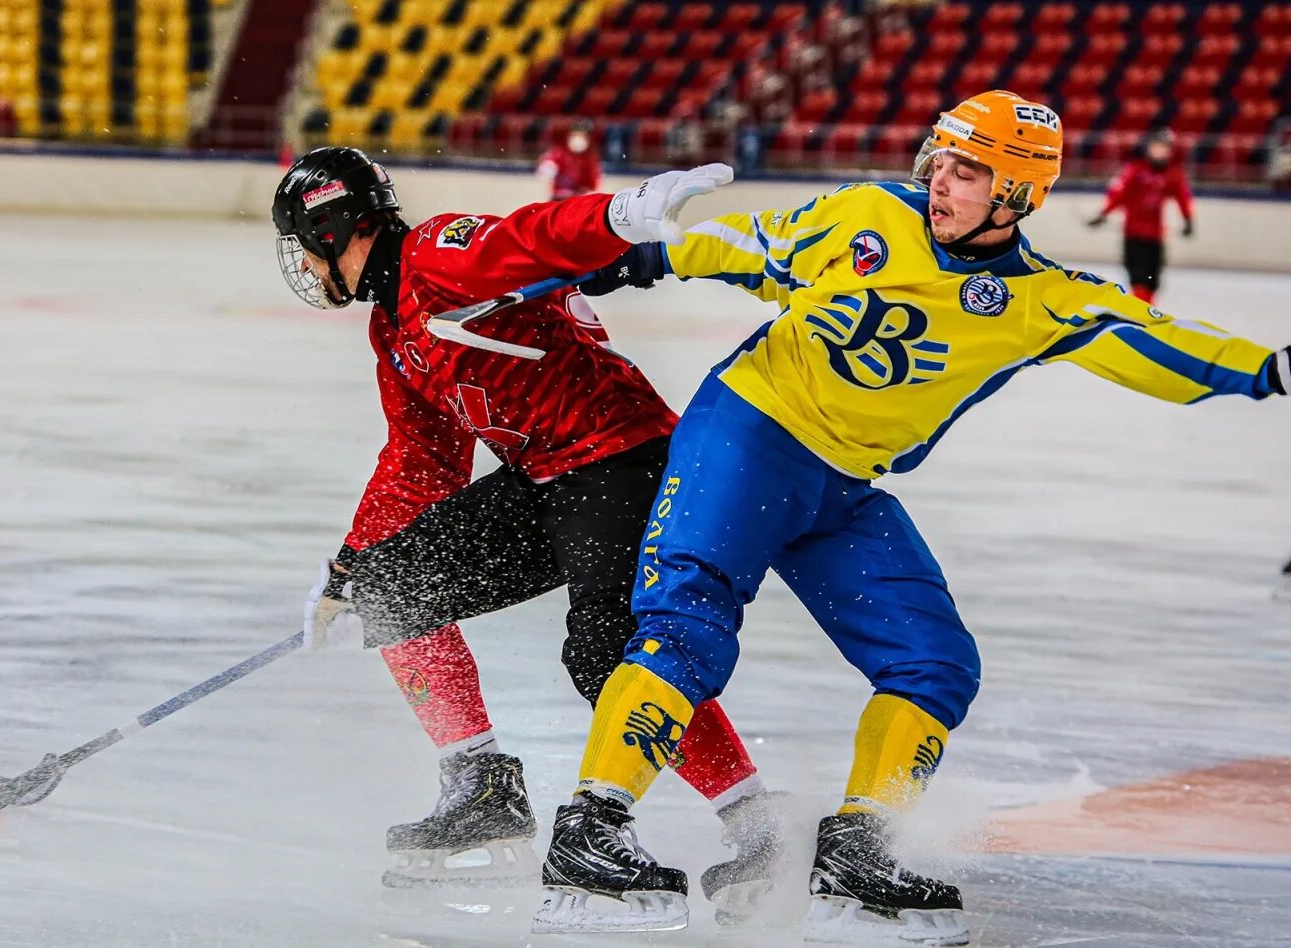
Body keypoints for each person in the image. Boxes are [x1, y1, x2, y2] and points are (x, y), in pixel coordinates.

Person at [533, 90, 1289, 942]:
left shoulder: (1042, 299)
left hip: (844, 485)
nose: (940, 182)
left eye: (968, 172)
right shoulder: (869, 212)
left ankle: (857, 852)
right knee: (687, 630)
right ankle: (589, 836)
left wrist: (1271, 368)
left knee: (935, 664)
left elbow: (1156, 340)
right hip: (748, 432)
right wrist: (619, 258)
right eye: (940, 161)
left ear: (1017, 195)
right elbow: (750, 246)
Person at [272, 148, 782, 906]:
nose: (308, 272)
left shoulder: (438, 255)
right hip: (544, 478)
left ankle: (758, 828)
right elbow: (421, 462)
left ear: (332, 231)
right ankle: (480, 790)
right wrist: (351, 568)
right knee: (393, 590)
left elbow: (532, 238)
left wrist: (617, 216)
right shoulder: (395, 329)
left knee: (608, 655)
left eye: (306, 252)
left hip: (621, 460)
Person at [1087, 127, 1194, 303]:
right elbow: (1119, 195)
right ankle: (1142, 310)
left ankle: (1146, 308)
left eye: (1164, 148)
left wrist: (1188, 219)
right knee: (1138, 277)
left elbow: (1183, 197)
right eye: (1156, 147)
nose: (1160, 152)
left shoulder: (1173, 174)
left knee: (1152, 280)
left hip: (1155, 237)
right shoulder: (1135, 170)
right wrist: (1103, 214)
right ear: (1148, 148)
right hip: (1133, 235)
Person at [536, 122, 602, 201]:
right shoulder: (560, 153)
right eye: (575, 136)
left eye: (582, 137)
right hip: (559, 198)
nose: (577, 140)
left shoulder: (590, 159)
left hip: (579, 199)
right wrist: (547, 167)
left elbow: (594, 182)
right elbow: (547, 163)